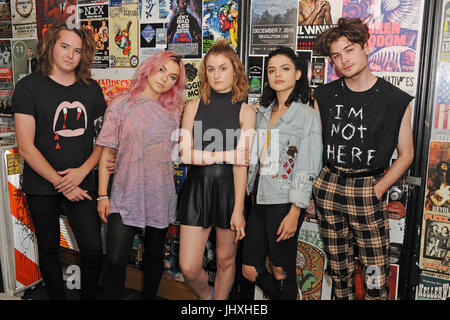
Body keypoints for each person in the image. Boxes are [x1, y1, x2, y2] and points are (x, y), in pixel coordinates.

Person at [313, 17, 414, 300]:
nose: (343, 59)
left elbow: (407, 155)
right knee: (338, 271)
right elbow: (313, 144)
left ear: (365, 48)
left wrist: (379, 188)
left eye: (350, 49)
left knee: (374, 273)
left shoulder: (396, 99)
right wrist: (316, 184)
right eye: (336, 55)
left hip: (367, 188)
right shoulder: (323, 95)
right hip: (330, 185)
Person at [12, 23, 106, 300]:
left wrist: (83, 171)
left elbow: (104, 140)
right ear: (51, 46)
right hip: (42, 185)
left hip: (82, 181)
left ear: (84, 55)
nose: (70, 55)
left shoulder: (92, 90)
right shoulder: (28, 87)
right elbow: (26, 148)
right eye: (64, 47)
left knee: (92, 249)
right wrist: (63, 183)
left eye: (77, 50)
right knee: (50, 248)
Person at [96, 51, 186, 300]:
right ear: (149, 68)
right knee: (115, 258)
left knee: (154, 255)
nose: (164, 80)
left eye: (172, 77)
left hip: (160, 192)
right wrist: (102, 195)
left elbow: (177, 152)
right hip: (126, 192)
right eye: (161, 71)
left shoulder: (174, 112)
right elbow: (107, 151)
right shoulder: (121, 103)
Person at [241, 46, 322, 300]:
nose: (277, 75)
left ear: (298, 73)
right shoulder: (263, 113)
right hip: (258, 201)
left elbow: (308, 164)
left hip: (285, 204)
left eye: (285, 69)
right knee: (250, 269)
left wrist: (295, 211)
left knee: (281, 271)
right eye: (272, 70)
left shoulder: (307, 115)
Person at [178, 40, 256, 300]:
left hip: (229, 192)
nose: (216, 75)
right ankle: (206, 297)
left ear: (235, 71)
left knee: (225, 260)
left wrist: (238, 209)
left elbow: (241, 163)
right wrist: (227, 154)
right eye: (210, 69)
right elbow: (184, 154)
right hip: (196, 190)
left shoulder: (246, 111)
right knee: (188, 266)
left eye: (222, 68)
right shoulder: (192, 106)